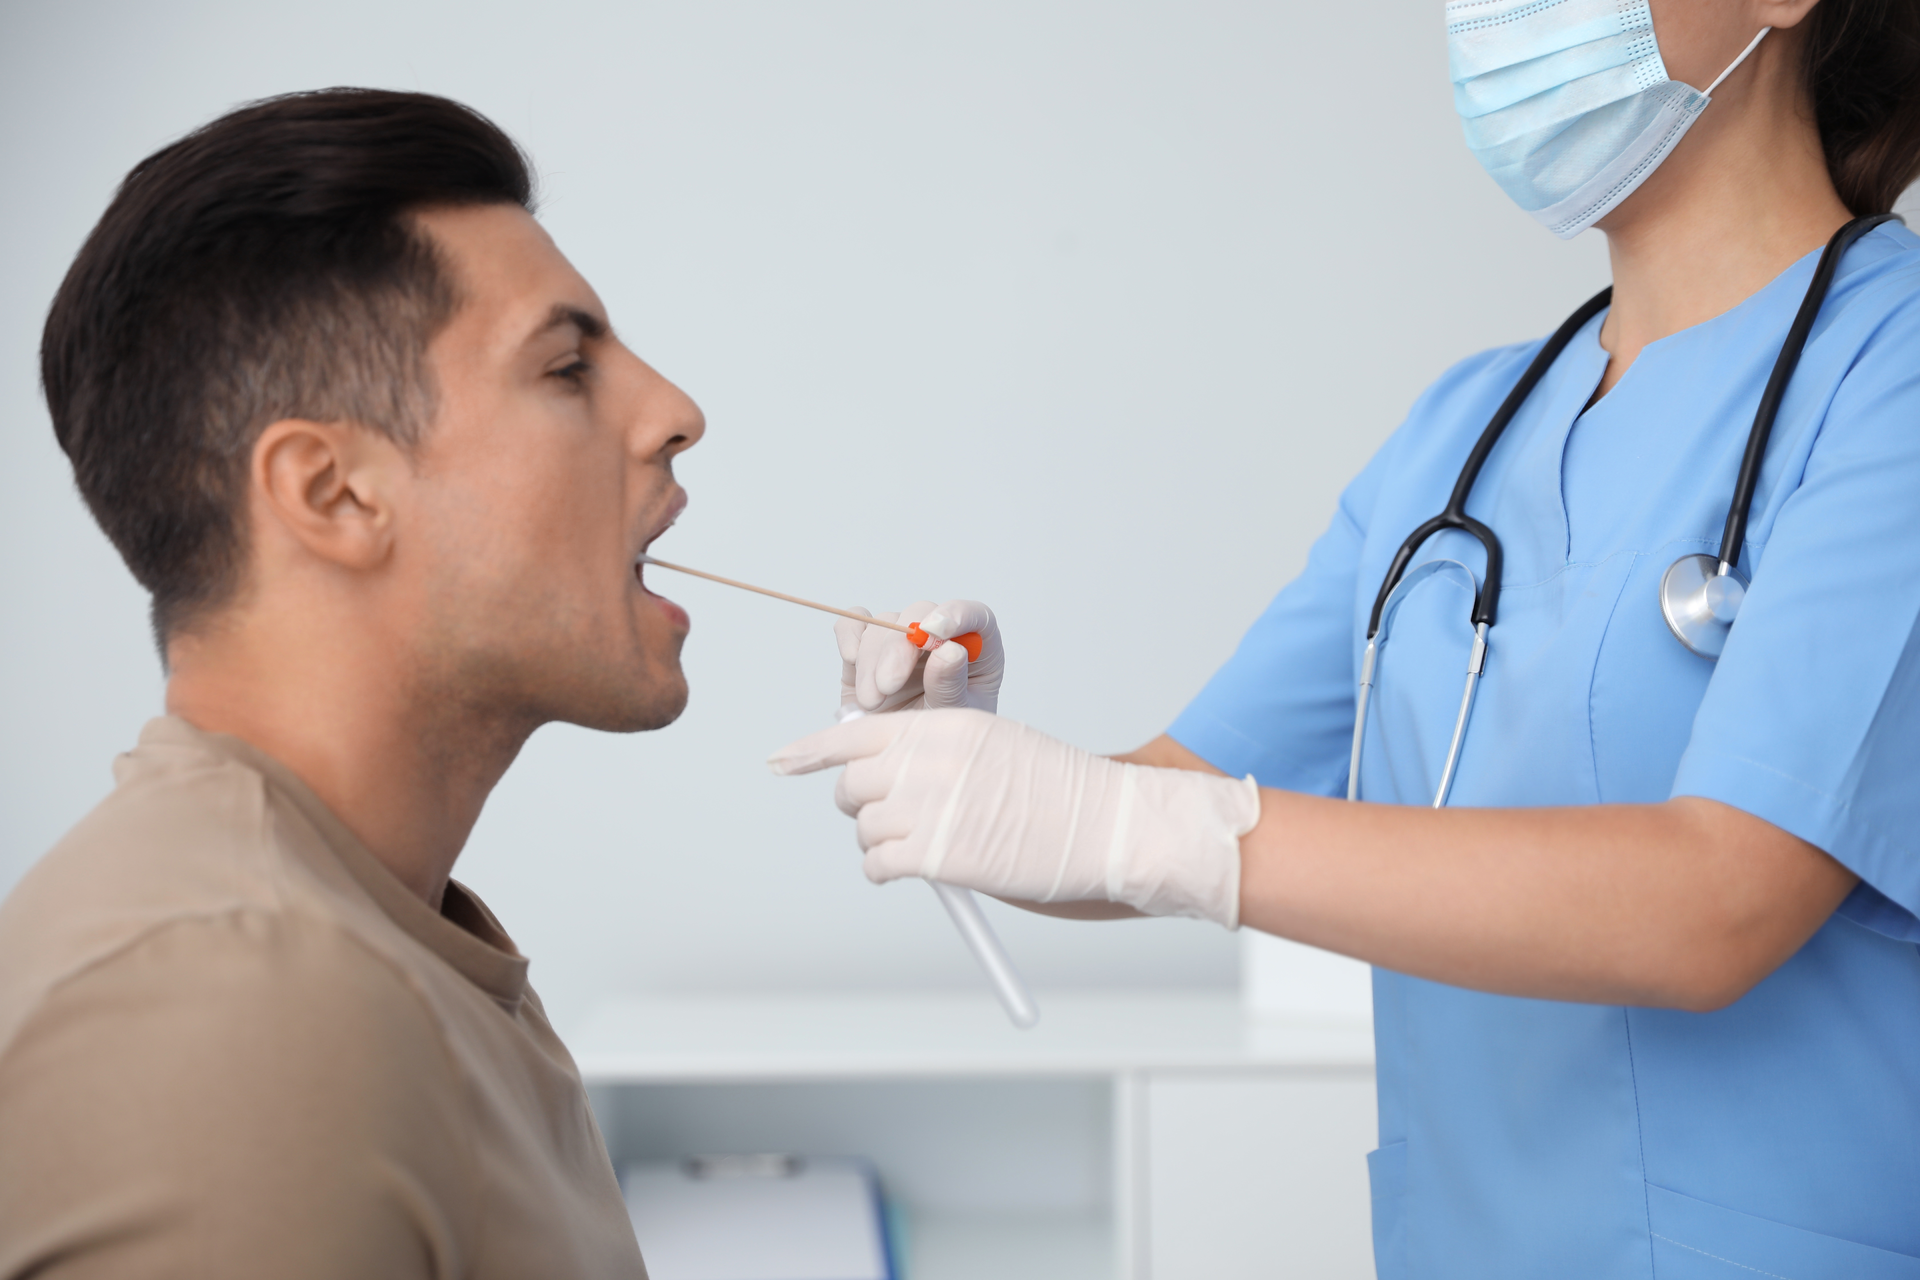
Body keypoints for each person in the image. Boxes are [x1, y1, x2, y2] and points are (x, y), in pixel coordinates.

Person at [776, 0, 1920, 1273]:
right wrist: (981, 769)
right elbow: (1174, 809)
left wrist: (1128, 825)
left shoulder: (1895, 379)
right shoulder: (1464, 434)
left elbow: (1718, 901)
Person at [0, 89, 702, 1276]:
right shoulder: (231, 1001)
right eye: (569, 366)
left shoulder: (382, 941)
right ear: (332, 493)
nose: (674, 414)